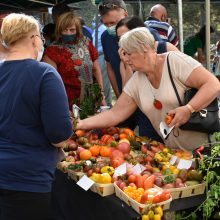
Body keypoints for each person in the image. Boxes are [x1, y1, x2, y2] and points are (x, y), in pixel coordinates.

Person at [76, 27, 220, 151]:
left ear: (144, 48)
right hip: (177, 153)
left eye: (128, 53)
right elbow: (115, 114)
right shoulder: (137, 80)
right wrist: (80, 124)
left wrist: (189, 108)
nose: (125, 59)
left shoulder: (174, 61)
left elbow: (213, 84)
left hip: (209, 147)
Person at [0, 13, 73, 220]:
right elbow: (59, 136)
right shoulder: (45, 74)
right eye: (40, 36)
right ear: (34, 39)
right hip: (28, 179)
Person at [43, 12, 106, 109]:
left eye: (72, 30)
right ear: (59, 31)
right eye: (65, 30)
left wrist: (101, 94)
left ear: (78, 30)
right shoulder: (52, 51)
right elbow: (52, 81)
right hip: (66, 101)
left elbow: (96, 69)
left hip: (91, 97)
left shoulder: (86, 43)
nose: (68, 33)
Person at [116, 15, 179, 87]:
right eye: (119, 38)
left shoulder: (166, 48)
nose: (122, 42)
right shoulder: (124, 61)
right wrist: (128, 64)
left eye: (125, 36)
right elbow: (128, 92)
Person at [92, 16, 112, 106]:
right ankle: (100, 102)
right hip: (96, 58)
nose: (93, 22)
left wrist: (96, 52)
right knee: (98, 81)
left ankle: (107, 103)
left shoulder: (103, 30)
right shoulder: (96, 30)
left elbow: (104, 46)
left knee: (104, 81)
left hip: (101, 57)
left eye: (94, 21)